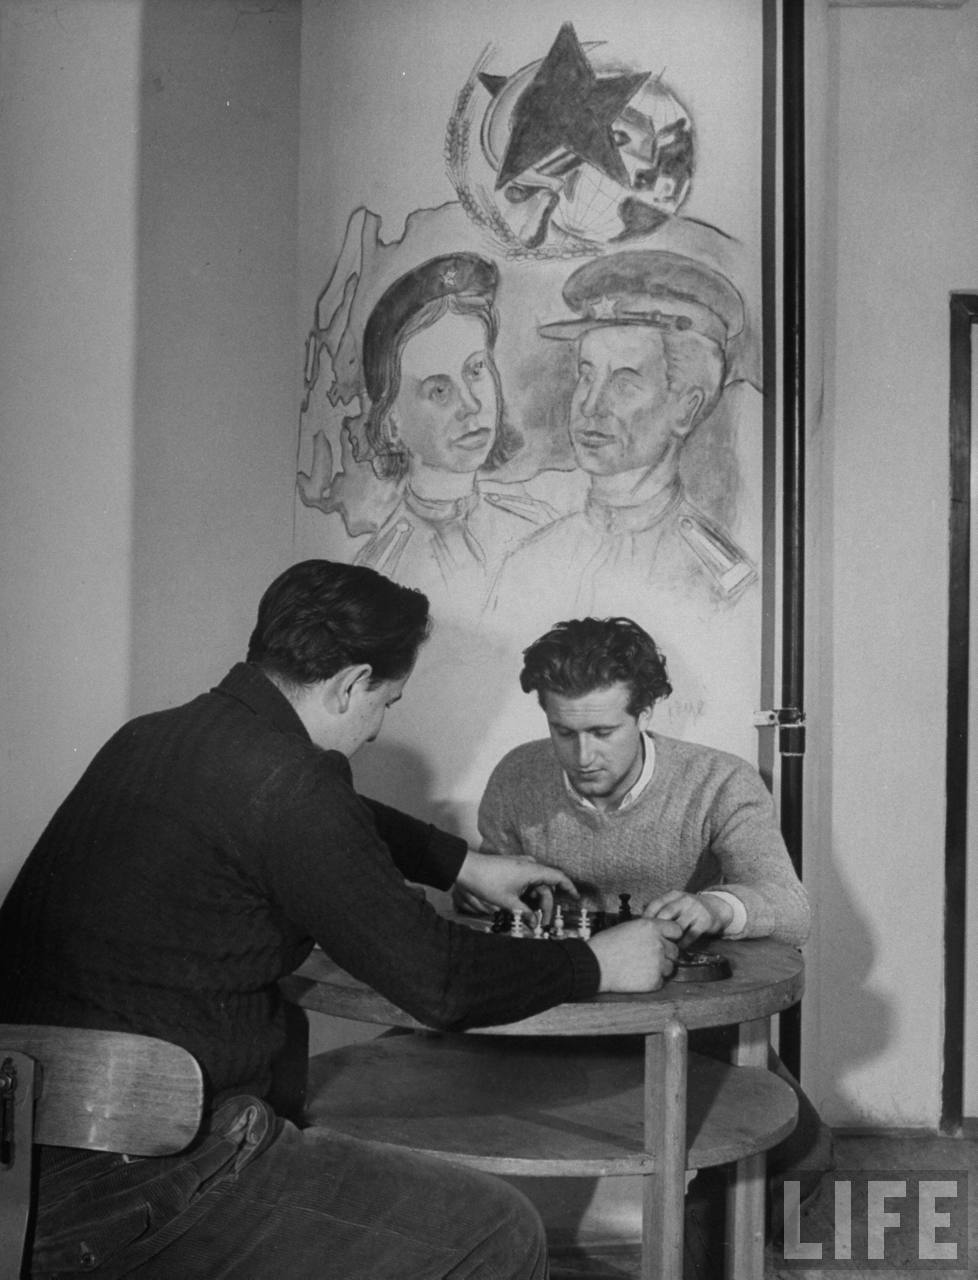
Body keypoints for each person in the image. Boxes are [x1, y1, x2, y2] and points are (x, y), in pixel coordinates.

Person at [0, 561, 685, 1280]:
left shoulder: (154, 737)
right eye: (387, 701)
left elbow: (302, 808)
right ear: (351, 683)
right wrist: (602, 963)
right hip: (139, 1187)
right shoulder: (292, 786)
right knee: (499, 1230)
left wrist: (460, 864)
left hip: (27, 1157)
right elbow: (442, 984)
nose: (376, 727)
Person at [464, 616, 831, 1268]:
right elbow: (488, 909)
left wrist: (715, 906)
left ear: (646, 711)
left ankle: (711, 1252)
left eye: (603, 732)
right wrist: (477, 895)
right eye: (563, 732)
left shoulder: (718, 781)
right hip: (552, 1014)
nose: (583, 757)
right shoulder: (517, 778)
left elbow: (793, 911)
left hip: (677, 1018)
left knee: (803, 1155)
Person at [487, 249, 757, 626]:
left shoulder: (717, 581)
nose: (591, 405)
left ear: (685, 409)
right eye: (586, 375)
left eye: (624, 384)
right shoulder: (529, 562)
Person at [352, 252, 555, 605]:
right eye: (439, 390)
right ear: (391, 424)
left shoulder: (539, 524)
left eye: (476, 370)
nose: (472, 405)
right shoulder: (380, 574)